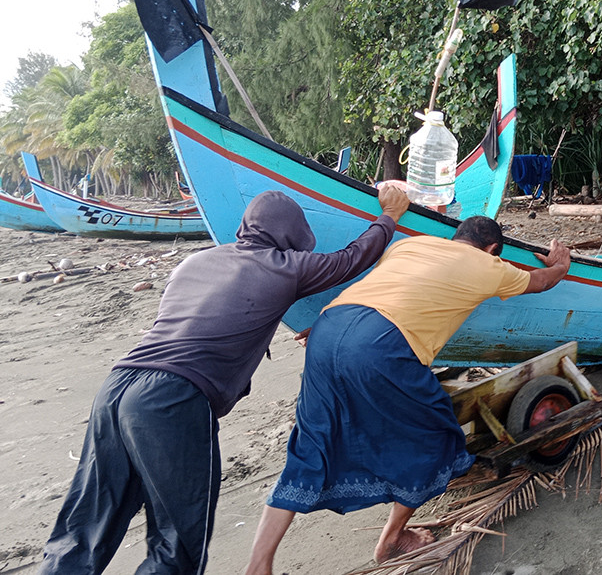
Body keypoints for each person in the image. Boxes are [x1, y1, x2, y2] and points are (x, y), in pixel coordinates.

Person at [38, 187, 409, 574]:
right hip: (171, 398)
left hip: (117, 386)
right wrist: (389, 216)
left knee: (88, 519)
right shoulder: (284, 265)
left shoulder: (196, 260)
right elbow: (351, 259)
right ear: (294, 232)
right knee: (177, 537)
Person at [244, 217, 572, 573]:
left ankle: (258, 564)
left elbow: (388, 291)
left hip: (328, 328)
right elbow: (542, 281)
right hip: (379, 345)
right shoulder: (488, 265)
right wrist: (561, 263)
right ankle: (392, 539)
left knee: (311, 445)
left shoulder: (409, 244)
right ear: (493, 249)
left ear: (456, 237)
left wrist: (340, 335)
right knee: (435, 436)